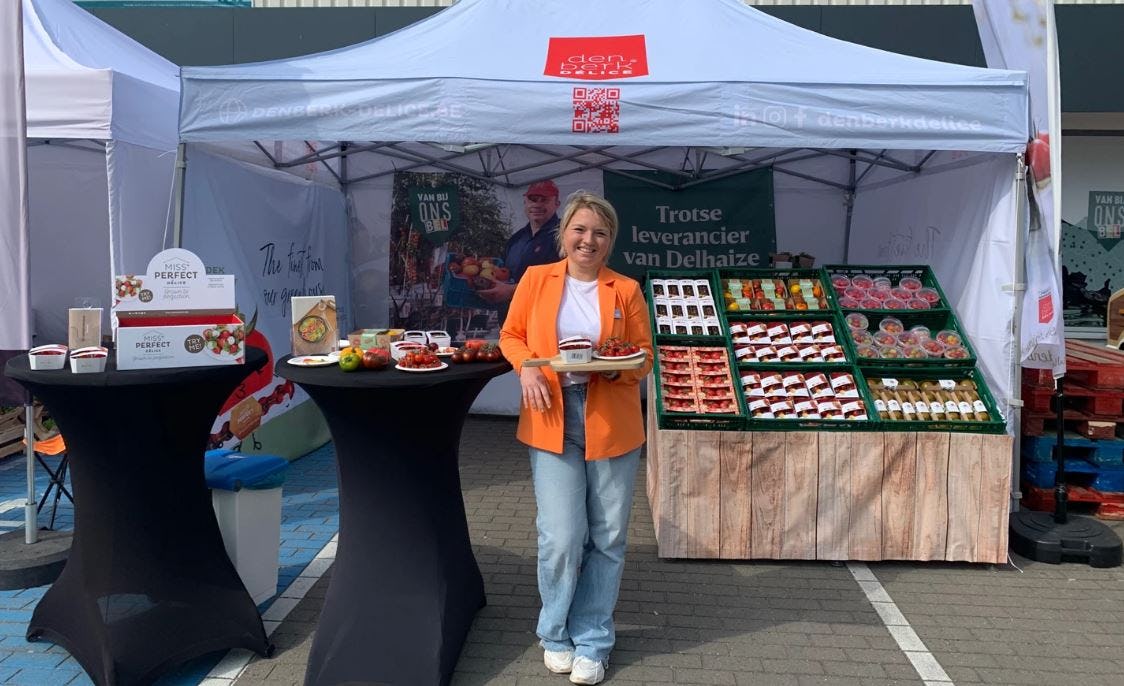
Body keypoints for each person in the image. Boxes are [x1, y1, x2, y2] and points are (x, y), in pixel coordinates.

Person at [498, 191, 653, 685]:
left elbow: (643, 355)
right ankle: (554, 631)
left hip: (611, 419)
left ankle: (593, 639)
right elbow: (512, 334)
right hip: (551, 416)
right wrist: (525, 368)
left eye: (600, 233)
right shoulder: (535, 279)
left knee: (607, 538)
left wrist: (616, 369)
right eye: (580, 230)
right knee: (562, 537)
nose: (589, 240)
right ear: (563, 234)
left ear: (610, 241)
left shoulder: (625, 289)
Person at [477, 180, 563, 323]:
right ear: (525, 202)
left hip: (545, 321)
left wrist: (511, 291)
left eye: (544, 200)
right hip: (510, 321)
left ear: (557, 204)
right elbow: (503, 274)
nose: (537, 204)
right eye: (533, 199)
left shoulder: (564, 236)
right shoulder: (516, 239)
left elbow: (563, 281)